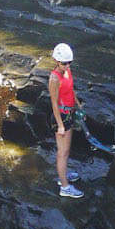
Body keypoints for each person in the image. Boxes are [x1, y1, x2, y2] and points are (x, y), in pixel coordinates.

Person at [47, 42, 82, 198]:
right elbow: (54, 102)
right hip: (60, 116)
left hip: (69, 112)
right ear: (57, 61)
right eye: (63, 63)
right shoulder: (54, 78)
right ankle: (65, 187)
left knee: (66, 150)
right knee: (62, 152)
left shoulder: (68, 71)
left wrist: (78, 104)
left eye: (69, 63)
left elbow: (71, 89)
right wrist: (60, 125)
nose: (67, 66)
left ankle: (64, 175)